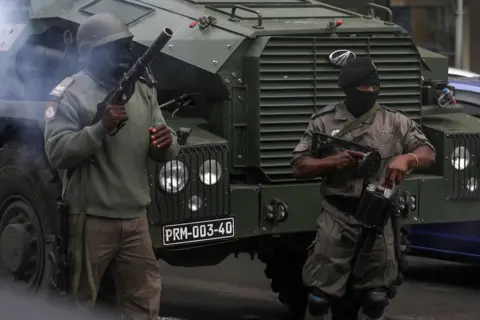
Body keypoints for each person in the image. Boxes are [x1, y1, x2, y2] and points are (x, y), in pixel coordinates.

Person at [43, 13, 179, 320]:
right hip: (92, 218)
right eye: (116, 47)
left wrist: (166, 144)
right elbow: (58, 153)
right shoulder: (70, 94)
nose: (126, 55)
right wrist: (100, 127)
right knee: (77, 302)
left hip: (135, 219)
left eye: (128, 47)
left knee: (144, 304)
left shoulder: (142, 90)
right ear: (92, 53)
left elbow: (164, 146)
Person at [291, 57, 436, 320]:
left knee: (376, 298)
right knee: (318, 299)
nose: (370, 93)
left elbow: (427, 152)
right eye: (363, 88)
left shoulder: (394, 121)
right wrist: (331, 162)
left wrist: (407, 159)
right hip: (338, 217)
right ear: (348, 88)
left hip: (378, 219)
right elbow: (299, 166)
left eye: (374, 88)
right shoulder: (323, 122)